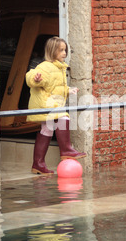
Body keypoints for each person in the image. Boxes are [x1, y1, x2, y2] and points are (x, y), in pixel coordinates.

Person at [26, 36, 86, 175]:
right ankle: (66, 150)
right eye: (61, 50)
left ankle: (38, 164)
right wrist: (35, 79)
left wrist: (68, 90)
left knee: (46, 129)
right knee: (63, 118)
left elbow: (54, 87)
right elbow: (31, 76)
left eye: (65, 50)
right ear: (52, 51)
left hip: (49, 101)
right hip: (44, 103)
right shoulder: (45, 66)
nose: (64, 53)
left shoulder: (59, 67)